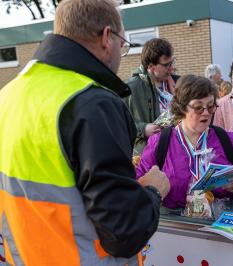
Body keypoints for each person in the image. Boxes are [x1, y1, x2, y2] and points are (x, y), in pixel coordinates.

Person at [0, 0, 170, 264]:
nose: (119, 54)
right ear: (106, 37)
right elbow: (124, 232)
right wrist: (153, 192)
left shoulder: (8, 96)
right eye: (122, 45)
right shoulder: (91, 103)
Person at [136, 75, 233, 210]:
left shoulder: (225, 139)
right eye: (198, 108)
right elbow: (140, 182)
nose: (206, 113)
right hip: (175, 223)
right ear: (183, 107)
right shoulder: (160, 142)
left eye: (211, 106)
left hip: (218, 221)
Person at [124, 38, 179, 153]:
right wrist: (142, 129)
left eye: (172, 62)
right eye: (166, 65)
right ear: (150, 66)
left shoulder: (177, 83)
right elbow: (117, 123)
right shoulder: (130, 88)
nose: (171, 68)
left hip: (176, 150)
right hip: (148, 155)